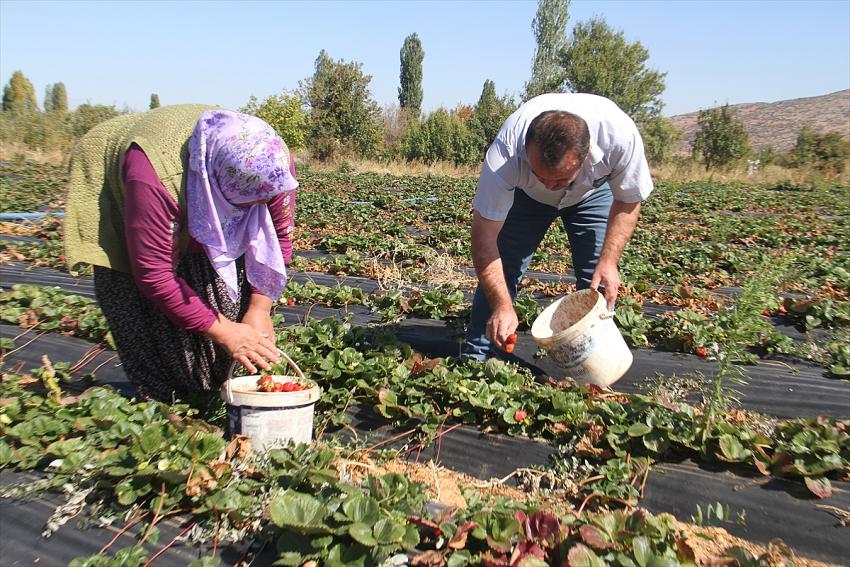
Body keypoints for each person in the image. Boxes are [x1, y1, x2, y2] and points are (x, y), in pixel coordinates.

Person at [64, 105, 297, 402]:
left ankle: (206, 392)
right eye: (248, 201)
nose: (258, 206)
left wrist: (259, 309)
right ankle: (158, 402)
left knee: (223, 296)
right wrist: (225, 332)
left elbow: (278, 238)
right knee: (135, 301)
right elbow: (154, 275)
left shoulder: (272, 165)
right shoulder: (152, 174)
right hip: (119, 180)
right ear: (216, 183)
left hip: (202, 178)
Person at [463, 93, 654, 360]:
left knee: (596, 281)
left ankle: (593, 364)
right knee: (503, 268)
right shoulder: (506, 153)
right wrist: (503, 306)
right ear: (527, 151)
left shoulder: (619, 136)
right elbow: (484, 243)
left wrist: (609, 261)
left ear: (585, 156)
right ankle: (477, 356)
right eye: (540, 175)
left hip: (591, 195)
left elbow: (628, 200)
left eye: (560, 178)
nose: (549, 186)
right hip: (526, 198)